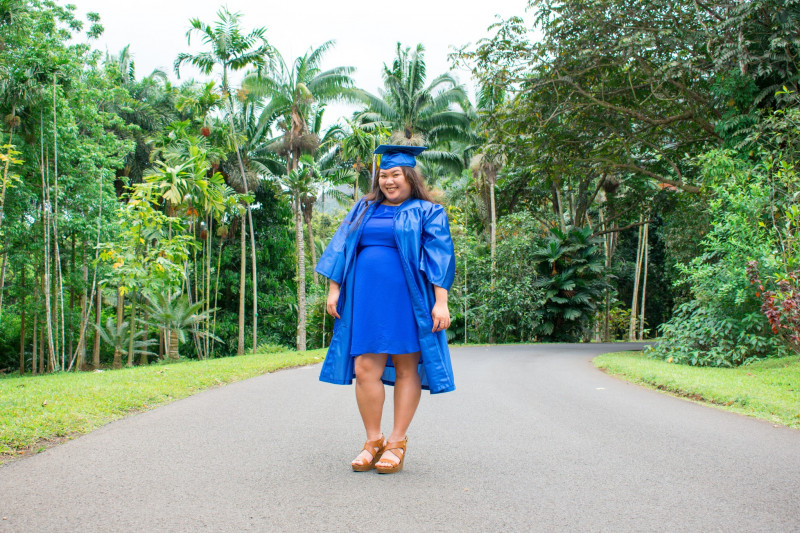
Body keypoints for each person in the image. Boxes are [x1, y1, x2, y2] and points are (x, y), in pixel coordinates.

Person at [315, 144, 456, 474]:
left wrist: (441, 302)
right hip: (365, 299)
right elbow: (341, 246)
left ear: (409, 177)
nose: (389, 182)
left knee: (408, 366)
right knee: (365, 367)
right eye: (383, 176)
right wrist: (334, 290)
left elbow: (440, 257)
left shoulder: (427, 211)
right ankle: (373, 439)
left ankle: (396, 441)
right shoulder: (364, 208)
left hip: (408, 300)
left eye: (396, 175)